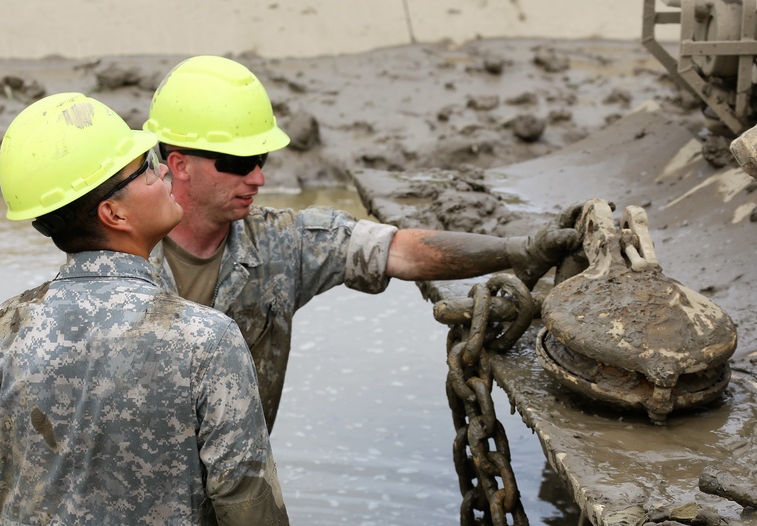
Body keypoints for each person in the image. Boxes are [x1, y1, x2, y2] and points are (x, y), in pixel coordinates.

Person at [0, 92, 304, 526]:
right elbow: (250, 516)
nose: (163, 172)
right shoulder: (204, 338)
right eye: (145, 170)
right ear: (114, 213)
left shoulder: (2, 332)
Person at [143, 55, 584, 433]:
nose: (258, 178)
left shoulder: (281, 246)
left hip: (233, 493)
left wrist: (516, 250)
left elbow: (402, 250)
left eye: (261, 159)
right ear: (179, 164)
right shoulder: (108, 254)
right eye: (238, 163)